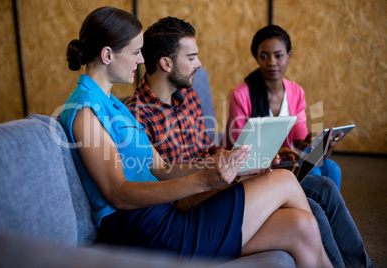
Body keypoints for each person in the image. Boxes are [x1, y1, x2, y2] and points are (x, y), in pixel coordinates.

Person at [58, 7, 331, 266]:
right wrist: (203, 180)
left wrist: (217, 164)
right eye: (136, 52)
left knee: (302, 226)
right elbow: (118, 194)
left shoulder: (113, 104)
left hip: (162, 214)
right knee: (283, 180)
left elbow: (161, 168)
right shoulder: (85, 109)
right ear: (108, 55)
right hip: (146, 230)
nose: (142, 60)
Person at [125, 17, 372, 267]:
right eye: (191, 57)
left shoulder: (188, 97)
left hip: (227, 175)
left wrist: (255, 157)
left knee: (325, 186)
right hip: (204, 193)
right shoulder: (136, 116)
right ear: (166, 64)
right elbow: (159, 185)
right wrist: (223, 168)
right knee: (313, 207)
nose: (199, 64)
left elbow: (208, 149)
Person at [222, 25, 343, 191]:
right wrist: (277, 153)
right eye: (264, 57)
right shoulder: (241, 94)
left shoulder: (296, 92)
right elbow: (239, 149)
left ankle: (323, 215)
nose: (271, 62)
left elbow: (300, 144)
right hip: (254, 166)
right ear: (257, 59)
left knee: (331, 167)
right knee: (313, 171)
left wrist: (318, 147)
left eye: (278, 56)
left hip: (285, 160)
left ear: (289, 55)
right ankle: (311, 213)